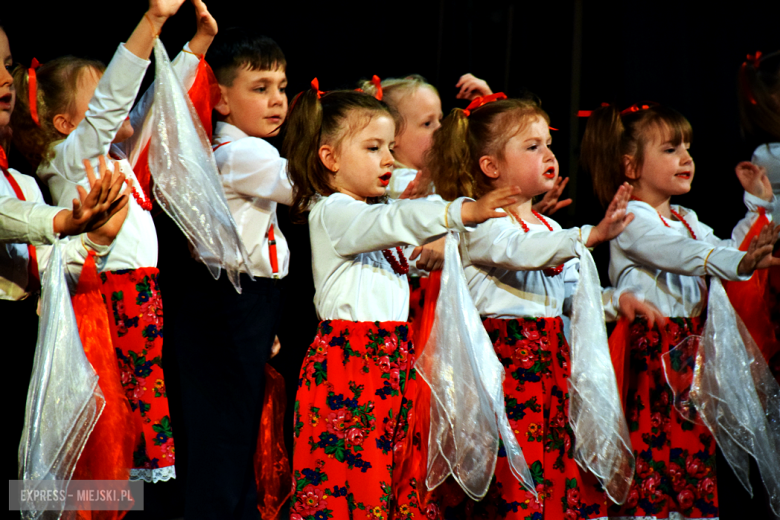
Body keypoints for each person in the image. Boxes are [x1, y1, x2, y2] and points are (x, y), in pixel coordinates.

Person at [283, 84, 521, 520]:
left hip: (388, 363)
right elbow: (393, 220)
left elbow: (392, 238)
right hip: (349, 366)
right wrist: (461, 211)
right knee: (350, 485)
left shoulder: (367, 213)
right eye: (373, 148)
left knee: (391, 483)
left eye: (390, 147)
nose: (389, 160)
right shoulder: (334, 211)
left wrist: (429, 254)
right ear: (329, 158)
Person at [426, 94, 647, 519]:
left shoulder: (549, 227)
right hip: (508, 369)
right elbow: (520, 250)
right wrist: (589, 236)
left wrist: (615, 301)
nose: (548, 154)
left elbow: (566, 294)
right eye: (532, 147)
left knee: (552, 473)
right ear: (491, 167)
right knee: (515, 480)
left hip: (550, 367)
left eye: (548, 143)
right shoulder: (484, 226)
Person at [9, 0, 201, 483]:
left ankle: (126, 502)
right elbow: (115, 99)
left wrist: (196, 46)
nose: (121, 97)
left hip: (141, 293)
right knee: (113, 414)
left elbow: (158, 104)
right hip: (107, 295)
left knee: (137, 408)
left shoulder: (116, 154)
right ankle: (104, 499)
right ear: (66, 125)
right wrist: (152, 20)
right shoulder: (72, 159)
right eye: (98, 102)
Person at [580, 102, 779, 519]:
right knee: (653, 461)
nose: (686, 158)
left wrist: (756, 211)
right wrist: (735, 260)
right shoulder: (630, 219)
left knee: (688, 461)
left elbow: (725, 254)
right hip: (653, 357)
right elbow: (682, 255)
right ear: (631, 166)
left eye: (687, 147)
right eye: (670, 149)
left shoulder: (686, 218)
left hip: (690, 357)